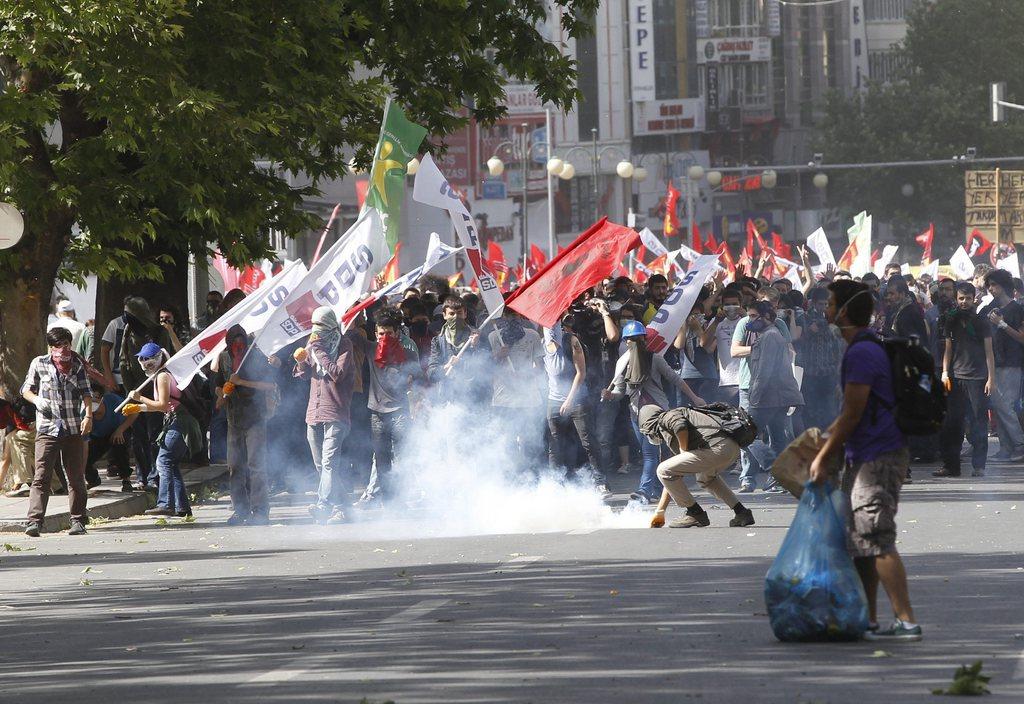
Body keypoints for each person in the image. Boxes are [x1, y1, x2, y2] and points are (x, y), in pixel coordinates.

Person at [809, 280, 921, 642]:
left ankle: (906, 621)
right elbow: (850, 414)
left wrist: (823, 456)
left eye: (830, 303)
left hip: (879, 455)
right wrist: (823, 442)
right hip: (864, 453)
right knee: (859, 541)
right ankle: (868, 619)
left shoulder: (861, 352)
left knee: (876, 536)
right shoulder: (858, 347)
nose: (826, 310)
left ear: (844, 311)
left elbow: (853, 414)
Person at [603, 320, 705, 504]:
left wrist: (694, 397)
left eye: (638, 339)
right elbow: (620, 392)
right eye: (631, 339)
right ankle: (659, 488)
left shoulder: (654, 358)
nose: (634, 342)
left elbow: (675, 379)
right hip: (636, 414)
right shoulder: (622, 363)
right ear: (626, 341)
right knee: (652, 453)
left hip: (657, 412)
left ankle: (644, 491)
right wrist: (610, 395)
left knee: (651, 453)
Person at [21, 327, 94, 537]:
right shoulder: (40, 363)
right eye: (59, 344)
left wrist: (88, 416)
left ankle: (78, 520)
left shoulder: (77, 364)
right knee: (41, 476)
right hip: (47, 427)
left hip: (73, 426)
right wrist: (36, 399)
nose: (64, 348)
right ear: (51, 346)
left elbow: (86, 392)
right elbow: (26, 389)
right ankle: (34, 522)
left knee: (75, 476)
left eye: (67, 344)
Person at [639, 404, 755, 529]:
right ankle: (741, 512)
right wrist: (660, 512)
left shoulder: (665, 417)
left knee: (663, 470)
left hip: (717, 448)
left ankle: (695, 513)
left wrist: (683, 450)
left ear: (648, 424)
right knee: (706, 478)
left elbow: (679, 425)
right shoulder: (673, 425)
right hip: (730, 448)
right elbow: (672, 481)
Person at [294, 307, 355, 524]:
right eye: (313, 326)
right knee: (321, 464)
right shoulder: (313, 346)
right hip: (314, 410)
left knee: (329, 463)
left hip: (336, 410)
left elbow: (337, 374)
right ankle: (345, 508)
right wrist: (302, 359)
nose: (315, 331)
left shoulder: (344, 345)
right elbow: (302, 375)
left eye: (320, 327)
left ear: (330, 325)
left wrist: (319, 352)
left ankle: (324, 505)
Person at [125, 343, 200, 517]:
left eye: (148, 358)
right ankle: (182, 507)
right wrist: (138, 408)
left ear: (158, 358)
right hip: (176, 420)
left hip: (180, 422)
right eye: (142, 358)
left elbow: (162, 405)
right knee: (171, 464)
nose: (144, 362)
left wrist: (139, 398)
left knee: (163, 461)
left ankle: (166, 503)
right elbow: (162, 406)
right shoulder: (160, 375)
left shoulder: (163, 376)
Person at [731, 298, 793, 493]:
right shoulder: (765, 334)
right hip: (768, 392)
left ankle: (776, 470)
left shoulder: (770, 335)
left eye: (753, 316)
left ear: (767, 316)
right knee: (761, 434)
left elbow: (765, 371)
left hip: (765, 394)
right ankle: (772, 477)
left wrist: (756, 396)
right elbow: (736, 351)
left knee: (746, 433)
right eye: (748, 315)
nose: (750, 320)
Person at [215, 325, 275, 525]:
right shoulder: (224, 358)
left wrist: (242, 382)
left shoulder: (255, 357)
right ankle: (240, 510)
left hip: (255, 417)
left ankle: (260, 511)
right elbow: (217, 384)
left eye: (241, 340)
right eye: (234, 341)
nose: (238, 345)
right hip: (234, 419)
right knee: (234, 466)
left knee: (256, 465)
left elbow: (269, 385)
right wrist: (222, 392)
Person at [934, 282, 995, 478]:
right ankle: (951, 466)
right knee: (953, 423)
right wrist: (944, 372)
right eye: (961, 298)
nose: (964, 302)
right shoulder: (950, 321)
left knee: (978, 421)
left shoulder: (981, 321)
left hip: (978, 378)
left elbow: (989, 352)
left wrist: (991, 378)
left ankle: (979, 466)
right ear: (956, 299)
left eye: (968, 298)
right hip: (956, 377)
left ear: (974, 299)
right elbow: (948, 349)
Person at [361, 308, 420, 507]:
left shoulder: (408, 351)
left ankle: (402, 497)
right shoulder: (371, 350)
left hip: (399, 411)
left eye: (389, 333)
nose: (384, 337)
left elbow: (418, 376)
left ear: (397, 333)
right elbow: (351, 337)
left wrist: (407, 377)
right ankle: (388, 500)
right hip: (377, 412)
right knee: (381, 458)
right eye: (381, 333)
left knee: (403, 456)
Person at [544, 317, 607, 495]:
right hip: (553, 399)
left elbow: (581, 373)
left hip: (577, 399)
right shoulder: (543, 343)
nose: (550, 328)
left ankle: (600, 480)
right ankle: (556, 483)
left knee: (587, 441)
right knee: (554, 443)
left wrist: (569, 399)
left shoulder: (571, 340)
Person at [489, 305, 545, 471]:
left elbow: (539, 366)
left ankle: (531, 474)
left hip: (528, 397)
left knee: (530, 440)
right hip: (503, 398)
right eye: (507, 313)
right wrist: (499, 355)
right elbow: (485, 367)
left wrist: (525, 376)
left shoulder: (532, 335)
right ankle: (511, 476)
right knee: (507, 440)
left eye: (514, 313)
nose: (511, 317)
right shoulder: (494, 337)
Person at [979, 268, 1024, 462]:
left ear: (1004, 285)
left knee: (1005, 404)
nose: (991, 289)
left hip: (1012, 362)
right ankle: (1006, 449)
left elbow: (1022, 337)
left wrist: (1002, 325)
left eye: (994, 285)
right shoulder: (990, 307)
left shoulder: (1017, 309)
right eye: (989, 285)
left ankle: (1020, 444)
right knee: (998, 405)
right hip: (994, 362)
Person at [84, 383, 136, 493]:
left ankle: (126, 480)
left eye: (96, 398)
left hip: (118, 431)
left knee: (120, 445)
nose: (93, 401)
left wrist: (120, 430)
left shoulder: (113, 400)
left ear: (102, 398)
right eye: (90, 398)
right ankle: (92, 479)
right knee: (84, 457)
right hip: (97, 436)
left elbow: (134, 412)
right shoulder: (83, 412)